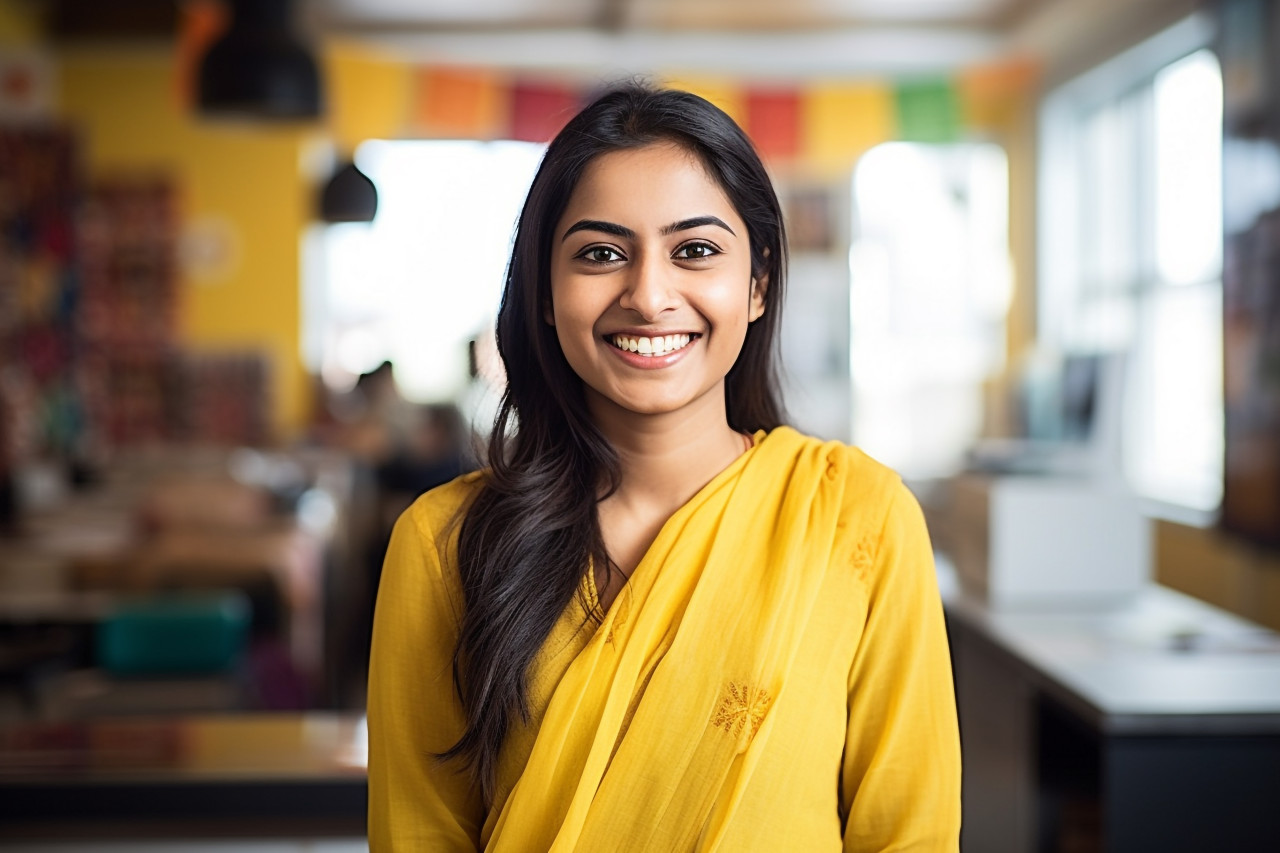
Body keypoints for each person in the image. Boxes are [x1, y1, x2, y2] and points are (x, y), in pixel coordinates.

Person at [367, 84, 961, 851]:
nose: (649, 296)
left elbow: (908, 835)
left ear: (758, 284)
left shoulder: (861, 518)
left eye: (696, 250)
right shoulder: (443, 543)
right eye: (601, 253)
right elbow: (419, 833)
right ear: (545, 292)